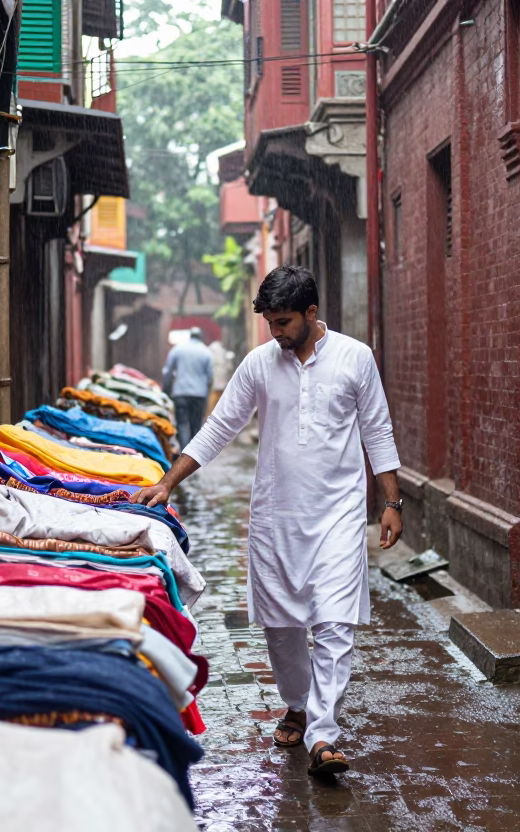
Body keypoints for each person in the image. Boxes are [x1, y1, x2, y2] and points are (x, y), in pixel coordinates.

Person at [134, 265, 403, 777]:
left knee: (334, 622)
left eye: (283, 322)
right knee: (282, 625)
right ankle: (297, 705)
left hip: (339, 516)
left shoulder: (355, 358)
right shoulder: (260, 363)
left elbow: (377, 430)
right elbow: (220, 426)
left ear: (311, 313)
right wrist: (169, 482)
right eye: (270, 323)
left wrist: (393, 502)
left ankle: (323, 734)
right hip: (275, 517)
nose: (275, 332)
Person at [162, 326, 214, 449]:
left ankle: (184, 452)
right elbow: (210, 377)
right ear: (201, 337)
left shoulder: (177, 349)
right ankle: (195, 454)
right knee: (196, 425)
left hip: (180, 393)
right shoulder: (206, 352)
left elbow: (167, 372)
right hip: (199, 395)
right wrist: (207, 391)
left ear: (190, 336)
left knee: (182, 424)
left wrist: (166, 389)